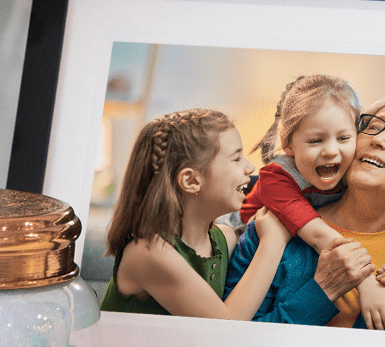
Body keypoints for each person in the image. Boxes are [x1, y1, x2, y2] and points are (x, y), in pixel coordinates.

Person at [226, 92, 385, 334]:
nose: (378, 139)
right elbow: (232, 343)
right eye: (373, 126)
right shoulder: (270, 228)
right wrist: (321, 291)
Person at [99, 108, 299, 319]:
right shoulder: (147, 253)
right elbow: (224, 326)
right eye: (236, 158)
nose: (250, 167)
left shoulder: (225, 240)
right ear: (191, 181)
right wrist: (273, 242)